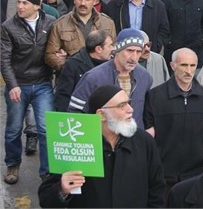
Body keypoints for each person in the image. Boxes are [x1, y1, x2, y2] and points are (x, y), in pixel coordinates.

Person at [38, 85, 166, 207]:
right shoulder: (76, 144)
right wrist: (62, 189)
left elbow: (156, 188)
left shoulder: (144, 141)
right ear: (101, 114)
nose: (130, 109)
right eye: (122, 106)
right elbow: (46, 198)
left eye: (129, 103)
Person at [1, 0, 55, 183]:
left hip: (42, 83)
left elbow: (54, 48)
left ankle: (47, 171)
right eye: (19, 2)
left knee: (46, 128)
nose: (20, 6)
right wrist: (13, 84)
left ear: (37, 5)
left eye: (25, 3)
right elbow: (4, 59)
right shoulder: (8, 27)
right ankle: (13, 164)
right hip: (19, 84)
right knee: (14, 128)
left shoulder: (50, 23)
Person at [144, 48, 203, 193]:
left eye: (192, 65)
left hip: (195, 173)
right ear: (172, 66)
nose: (188, 71)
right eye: (183, 65)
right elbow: (148, 129)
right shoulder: (155, 96)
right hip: (163, 173)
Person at [68, 29, 153, 129]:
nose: (134, 58)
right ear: (117, 50)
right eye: (129, 51)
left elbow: (147, 111)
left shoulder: (145, 77)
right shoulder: (94, 77)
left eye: (138, 52)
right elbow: (75, 112)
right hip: (103, 139)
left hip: (134, 139)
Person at [44, 0, 116, 71]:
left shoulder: (108, 23)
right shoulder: (60, 24)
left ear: (95, 1)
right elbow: (50, 55)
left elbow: (114, 50)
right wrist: (68, 66)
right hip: (72, 78)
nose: (83, 3)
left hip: (101, 75)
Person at [103, 0, 170, 53]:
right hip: (122, 54)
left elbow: (164, 30)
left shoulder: (158, 6)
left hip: (147, 53)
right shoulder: (114, 5)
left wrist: (155, 46)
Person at [54, 30, 114, 112]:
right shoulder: (73, 65)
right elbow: (64, 95)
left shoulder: (113, 64)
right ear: (99, 49)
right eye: (110, 45)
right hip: (82, 116)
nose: (113, 49)